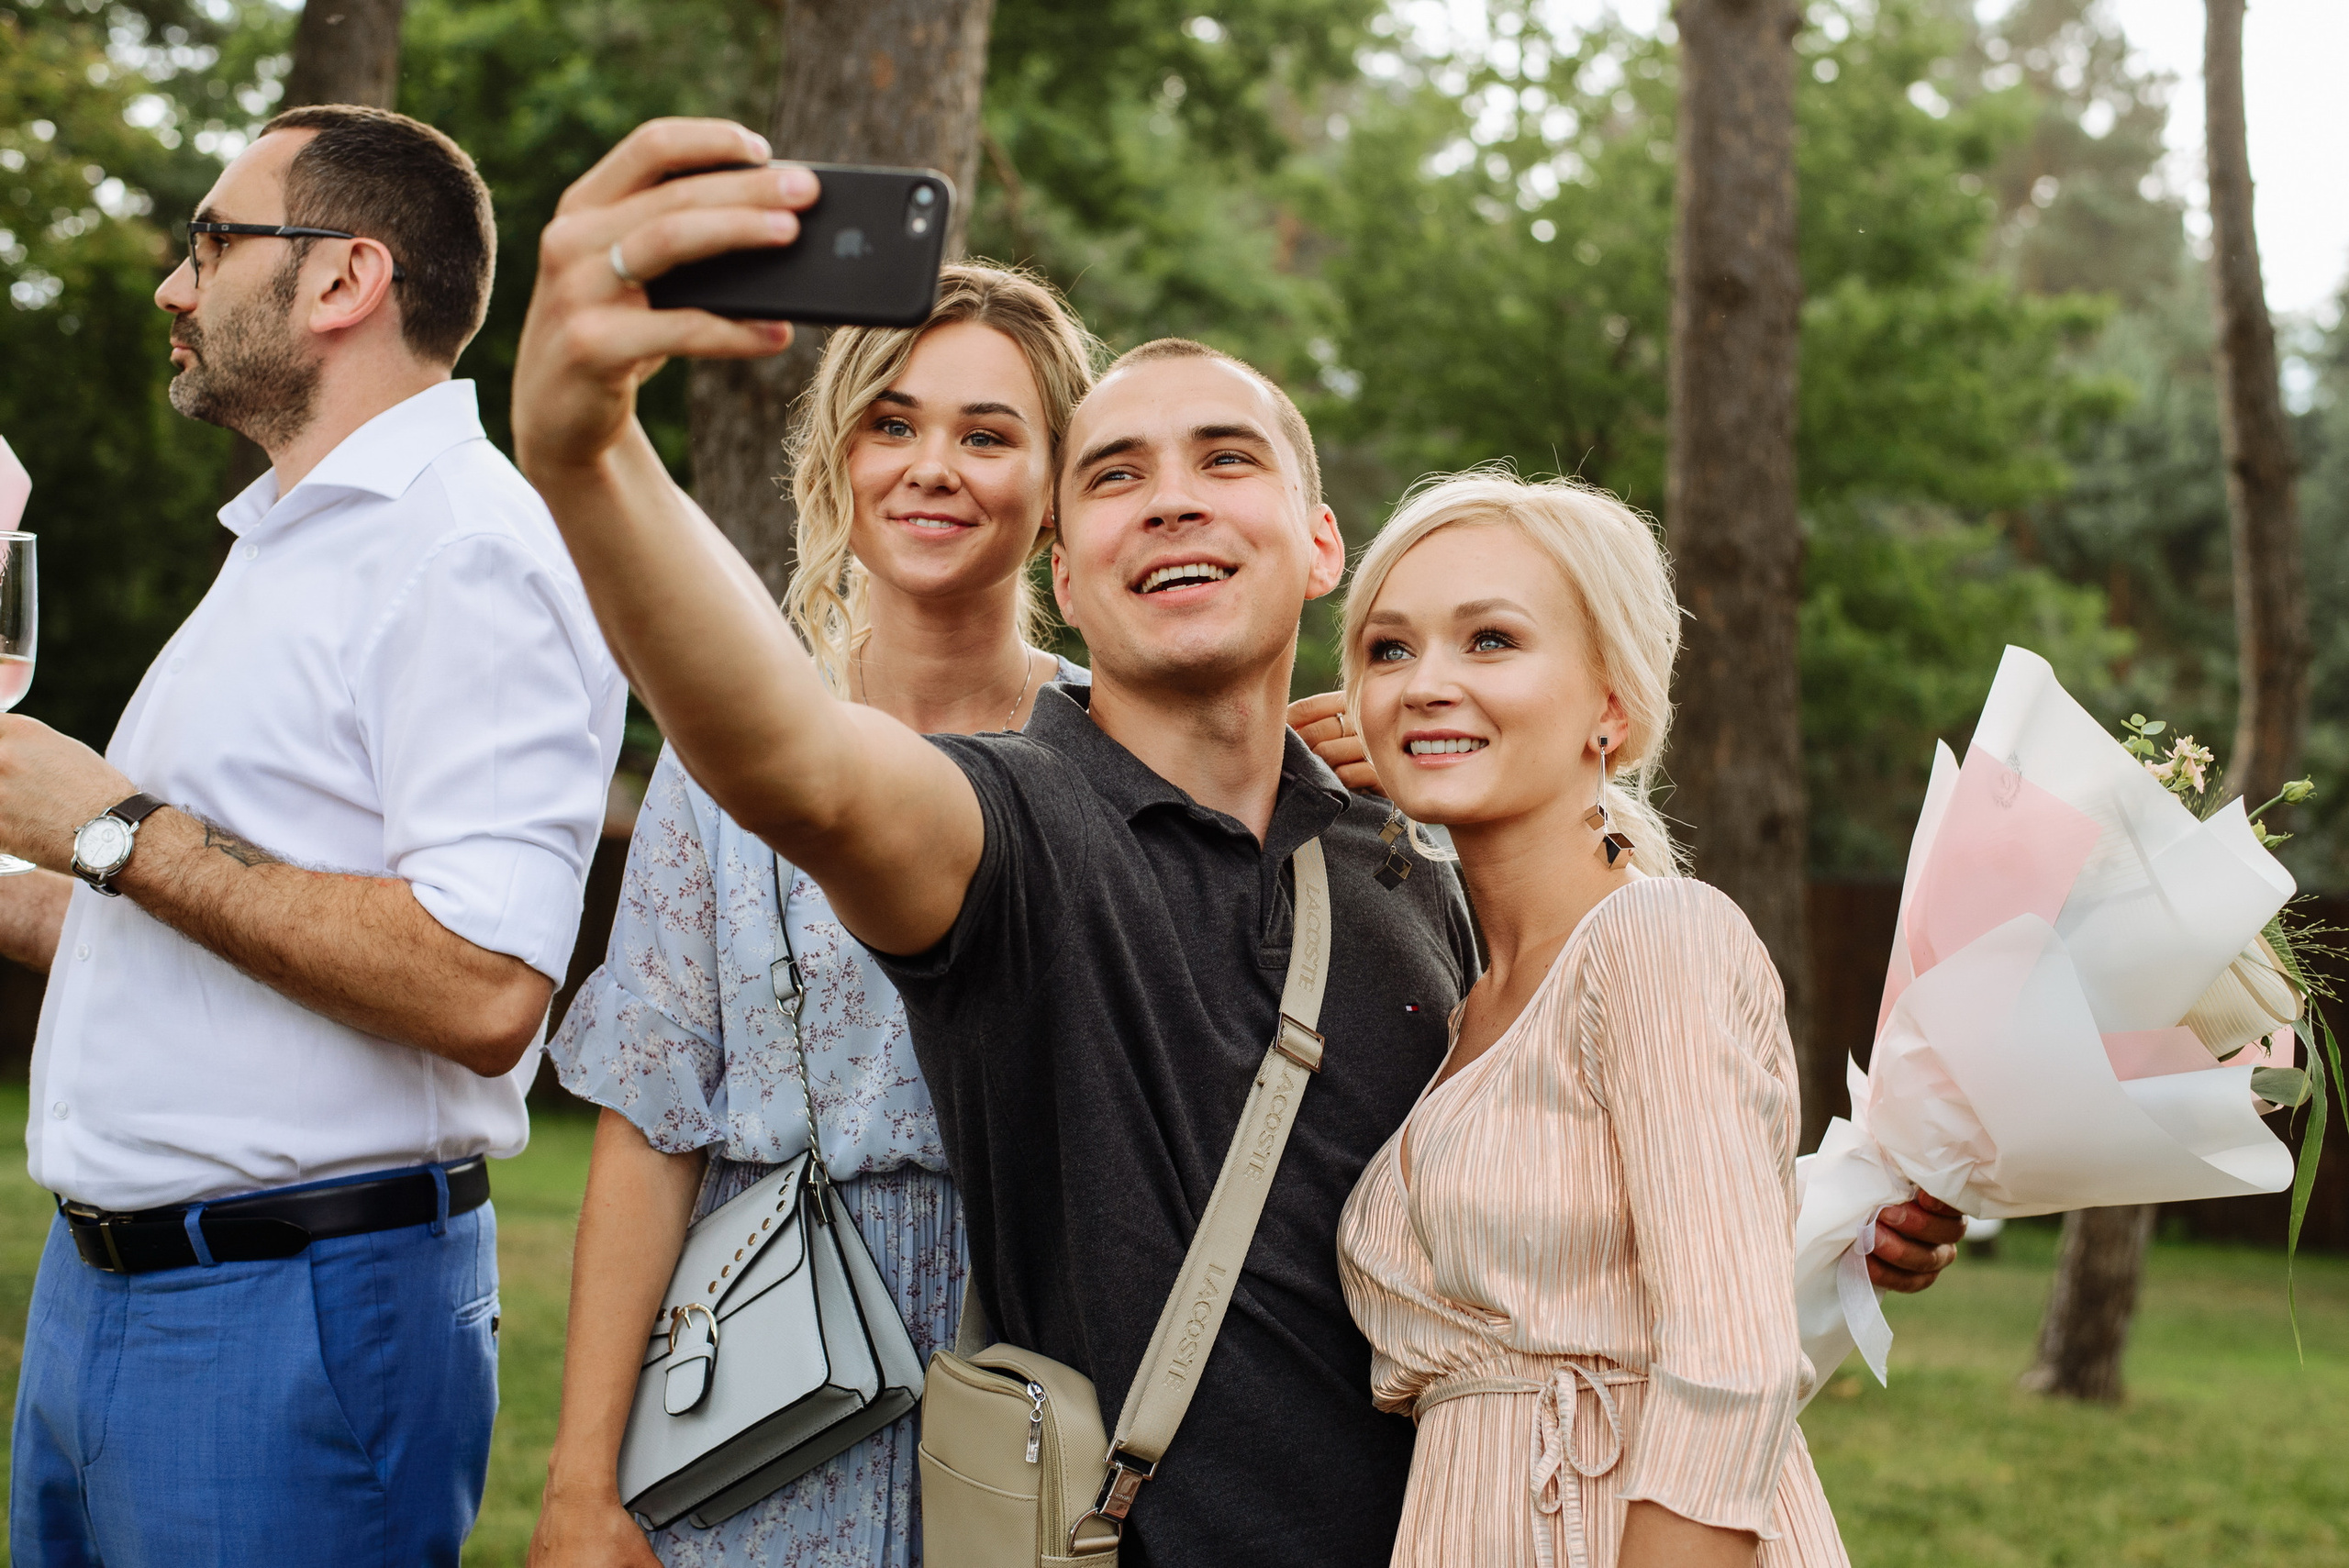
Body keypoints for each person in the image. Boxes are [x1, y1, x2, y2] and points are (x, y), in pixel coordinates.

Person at [508, 117, 1960, 1564]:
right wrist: (589, 453)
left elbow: (1595, 1219)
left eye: (1225, 458)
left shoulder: (1411, 874)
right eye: (1119, 473)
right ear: (1064, 571)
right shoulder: (1008, 834)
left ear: (1318, 542)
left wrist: (1835, 1232)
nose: (1176, 497)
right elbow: (799, 763)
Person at [0, 106, 625, 1566]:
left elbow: (484, 984)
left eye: (211, 243)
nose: (175, 284)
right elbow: (194, 911)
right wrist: (36, 871)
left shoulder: (462, 549)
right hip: (112, 1295)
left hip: (292, 1315)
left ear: (347, 278)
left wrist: (101, 821)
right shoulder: (294, 540)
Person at [529, 262, 1097, 1568]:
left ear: (1061, 477)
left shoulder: (1114, 753)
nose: (932, 466)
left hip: (1038, 1336)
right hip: (762, 1332)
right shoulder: (725, 756)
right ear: (838, 456)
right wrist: (578, 1484)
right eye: (891, 423)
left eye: (989, 433)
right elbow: (653, 1110)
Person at [1322, 469, 1917, 1568]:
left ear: (1614, 706)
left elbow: (1732, 1360)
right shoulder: (1472, 998)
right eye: (1387, 649)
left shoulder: (1656, 938)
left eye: (1490, 639)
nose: (1424, 683)